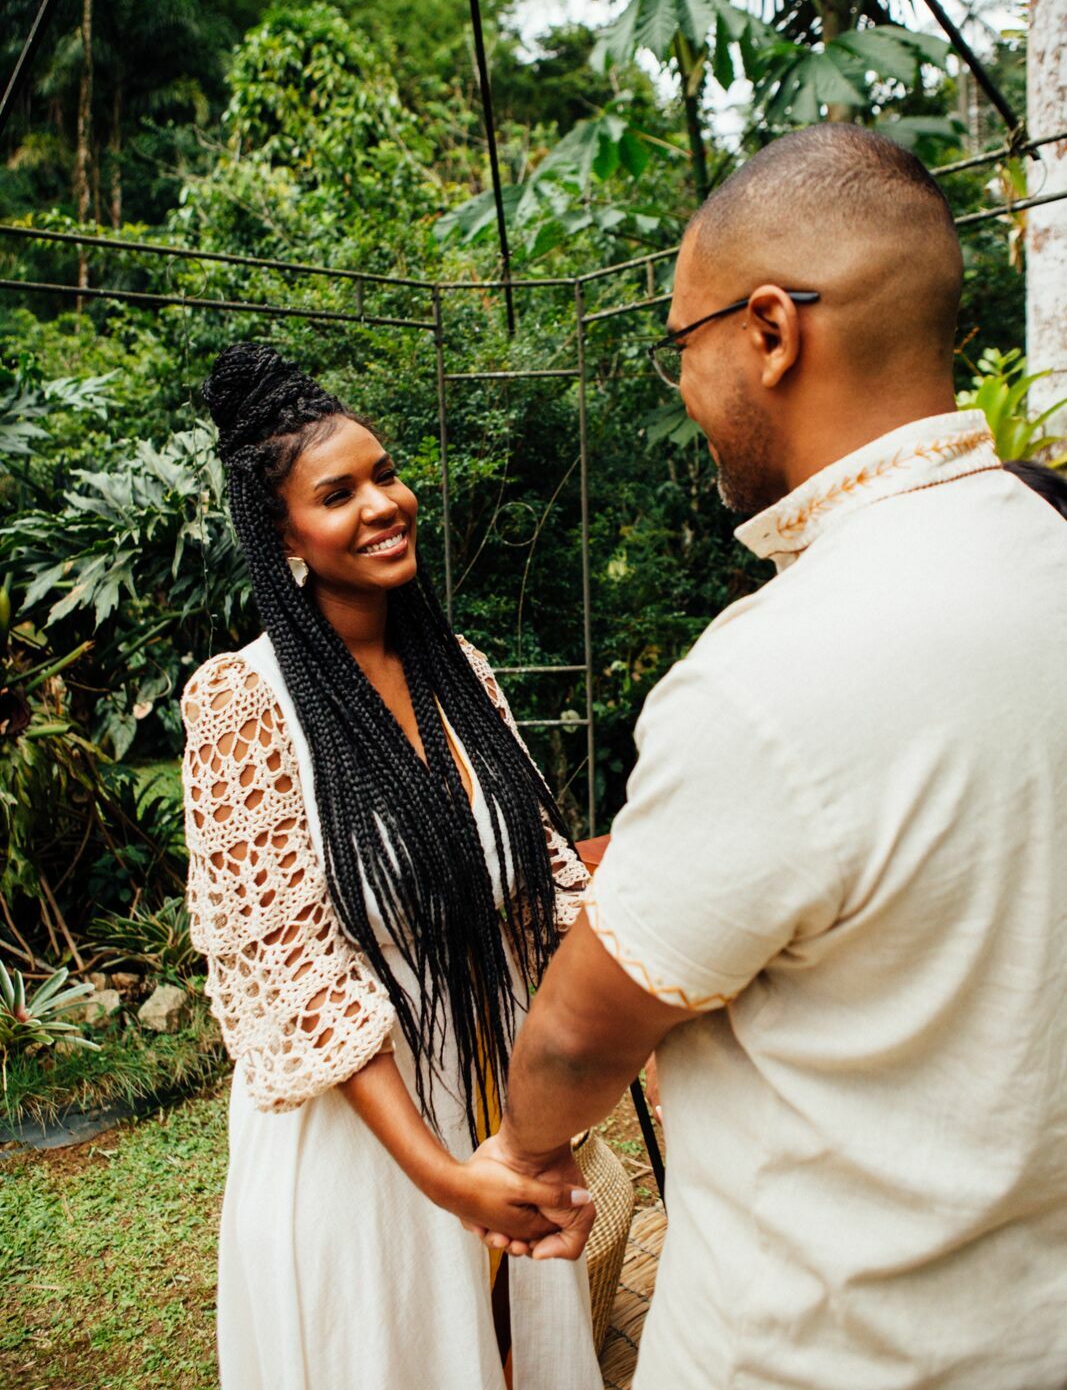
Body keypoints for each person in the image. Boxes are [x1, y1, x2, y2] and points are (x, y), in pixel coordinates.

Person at [473, 123, 1067, 1388]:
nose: (679, 388)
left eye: (679, 344)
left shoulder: (766, 672)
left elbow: (578, 1036)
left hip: (818, 1350)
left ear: (768, 331)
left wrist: (524, 1152)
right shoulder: (1044, 547)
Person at [180, 342, 601, 1390]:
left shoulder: (462, 674)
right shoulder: (245, 705)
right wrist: (443, 1178)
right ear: (283, 534)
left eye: (386, 474)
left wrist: (539, 1129)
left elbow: (548, 892)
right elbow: (298, 977)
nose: (383, 504)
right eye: (338, 494)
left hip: (497, 1108)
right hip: (369, 1157)